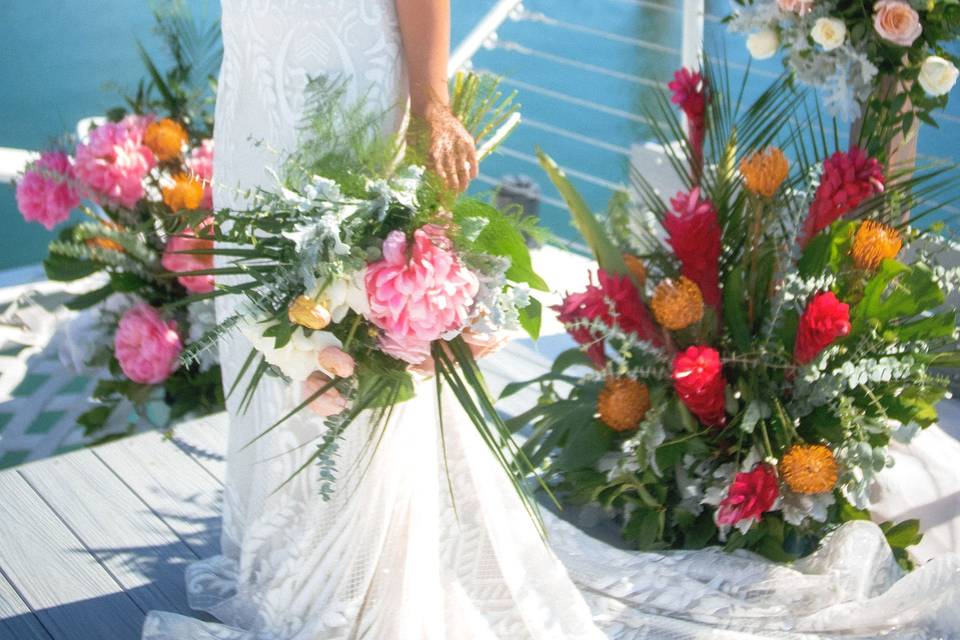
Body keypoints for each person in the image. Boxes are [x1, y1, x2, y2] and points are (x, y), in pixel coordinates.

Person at [143, 1, 960, 638]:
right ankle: (283, 549)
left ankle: (360, 567)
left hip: (342, 68)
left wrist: (431, 102)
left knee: (346, 309)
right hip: (255, 86)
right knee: (269, 309)